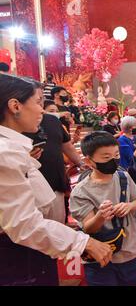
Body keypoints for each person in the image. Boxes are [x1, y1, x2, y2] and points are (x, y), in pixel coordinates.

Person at [0, 74, 112, 285]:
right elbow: (24, 224)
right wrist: (83, 242)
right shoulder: (5, 153)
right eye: (38, 102)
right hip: (18, 259)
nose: (41, 110)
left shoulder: (13, 148)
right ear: (15, 106)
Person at [70, 131, 136, 286]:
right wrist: (100, 216)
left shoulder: (123, 176)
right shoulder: (81, 192)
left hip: (128, 250)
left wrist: (129, 206)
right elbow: (89, 228)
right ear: (89, 161)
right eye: (106, 157)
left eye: (116, 155)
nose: (114, 160)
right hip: (99, 254)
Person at [24, 98, 84, 224]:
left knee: (58, 224)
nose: (39, 106)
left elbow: (66, 146)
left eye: (40, 100)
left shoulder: (52, 121)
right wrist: (25, 158)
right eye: (36, 100)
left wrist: (81, 163)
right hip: (28, 188)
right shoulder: (13, 125)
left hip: (55, 182)